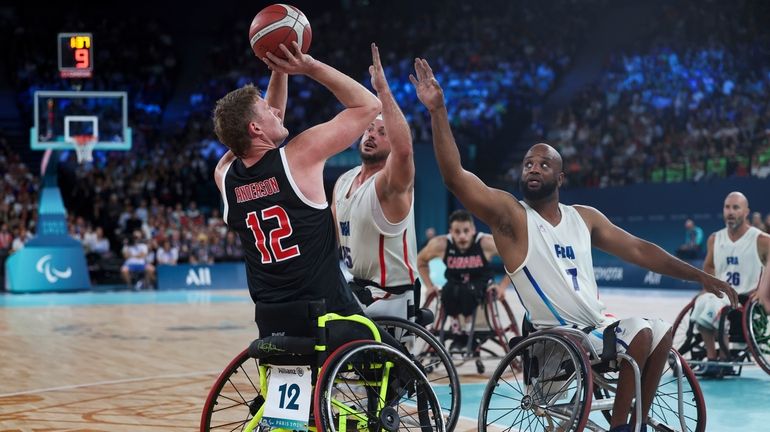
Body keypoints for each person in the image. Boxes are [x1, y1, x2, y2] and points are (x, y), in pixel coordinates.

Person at [410, 57, 736, 432]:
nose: (533, 168)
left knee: (661, 329)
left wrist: (700, 277)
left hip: (594, 328)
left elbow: (641, 250)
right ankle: (621, 428)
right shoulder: (512, 218)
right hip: (555, 337)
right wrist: (438, 111)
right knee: (640, 332)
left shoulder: (584, 218)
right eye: (528, 163)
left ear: (560, 176)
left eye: (543, 164)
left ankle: (638, 420)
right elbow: (454, 177)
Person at [213, 42, 389, 346]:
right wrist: (307, 66)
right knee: (396, 359)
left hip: (271, 319)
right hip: (326, 311)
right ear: (255, 128)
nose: (276, 109)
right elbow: (369, 106)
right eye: (267, 109)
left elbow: (251, 133)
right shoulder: (299, 156)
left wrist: (278, 73)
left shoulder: (225, 176)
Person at [332, 44, 418, 319]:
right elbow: (328, 238)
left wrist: (382, 91)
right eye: (368, 129)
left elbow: (404, 150)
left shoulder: (389, 183)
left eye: (382, 132)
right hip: (358, 289)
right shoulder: (344, 181)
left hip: (391, 296)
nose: (371, 135)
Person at [690, 192, 770, 377]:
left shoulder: (760, 239)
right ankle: (712, 358)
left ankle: (723, 357)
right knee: (702, 301)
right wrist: (709, 287)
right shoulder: (715, 239)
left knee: (712, 304)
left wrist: (763, 292)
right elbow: (709, 266)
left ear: (746, 211)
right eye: (727, 207)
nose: (731, 212)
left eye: (736, 207)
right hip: (721, 295)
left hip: (744, 298)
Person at [417, 209, 508, 332]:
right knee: (447, 292)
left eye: (466, 231)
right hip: (454, 283)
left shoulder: (486, 242)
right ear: (450, 232)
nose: (462, 236)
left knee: (467, 292)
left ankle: (468, 329)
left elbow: (514, 261)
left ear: (473, 230)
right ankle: (456, 328)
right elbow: (421, 261)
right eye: (457, 232)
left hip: (480, 283)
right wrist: (429, 286)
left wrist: (502, 287)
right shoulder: (441, 244)